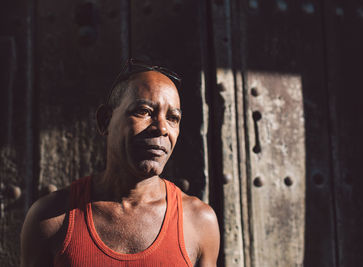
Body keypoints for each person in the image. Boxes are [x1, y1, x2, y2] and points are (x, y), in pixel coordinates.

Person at [20, 59, 220, 267]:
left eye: (173, 118)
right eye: (144, 111)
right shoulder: (52, 219)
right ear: (105, 120)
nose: (161, 128)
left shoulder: (198, 221)